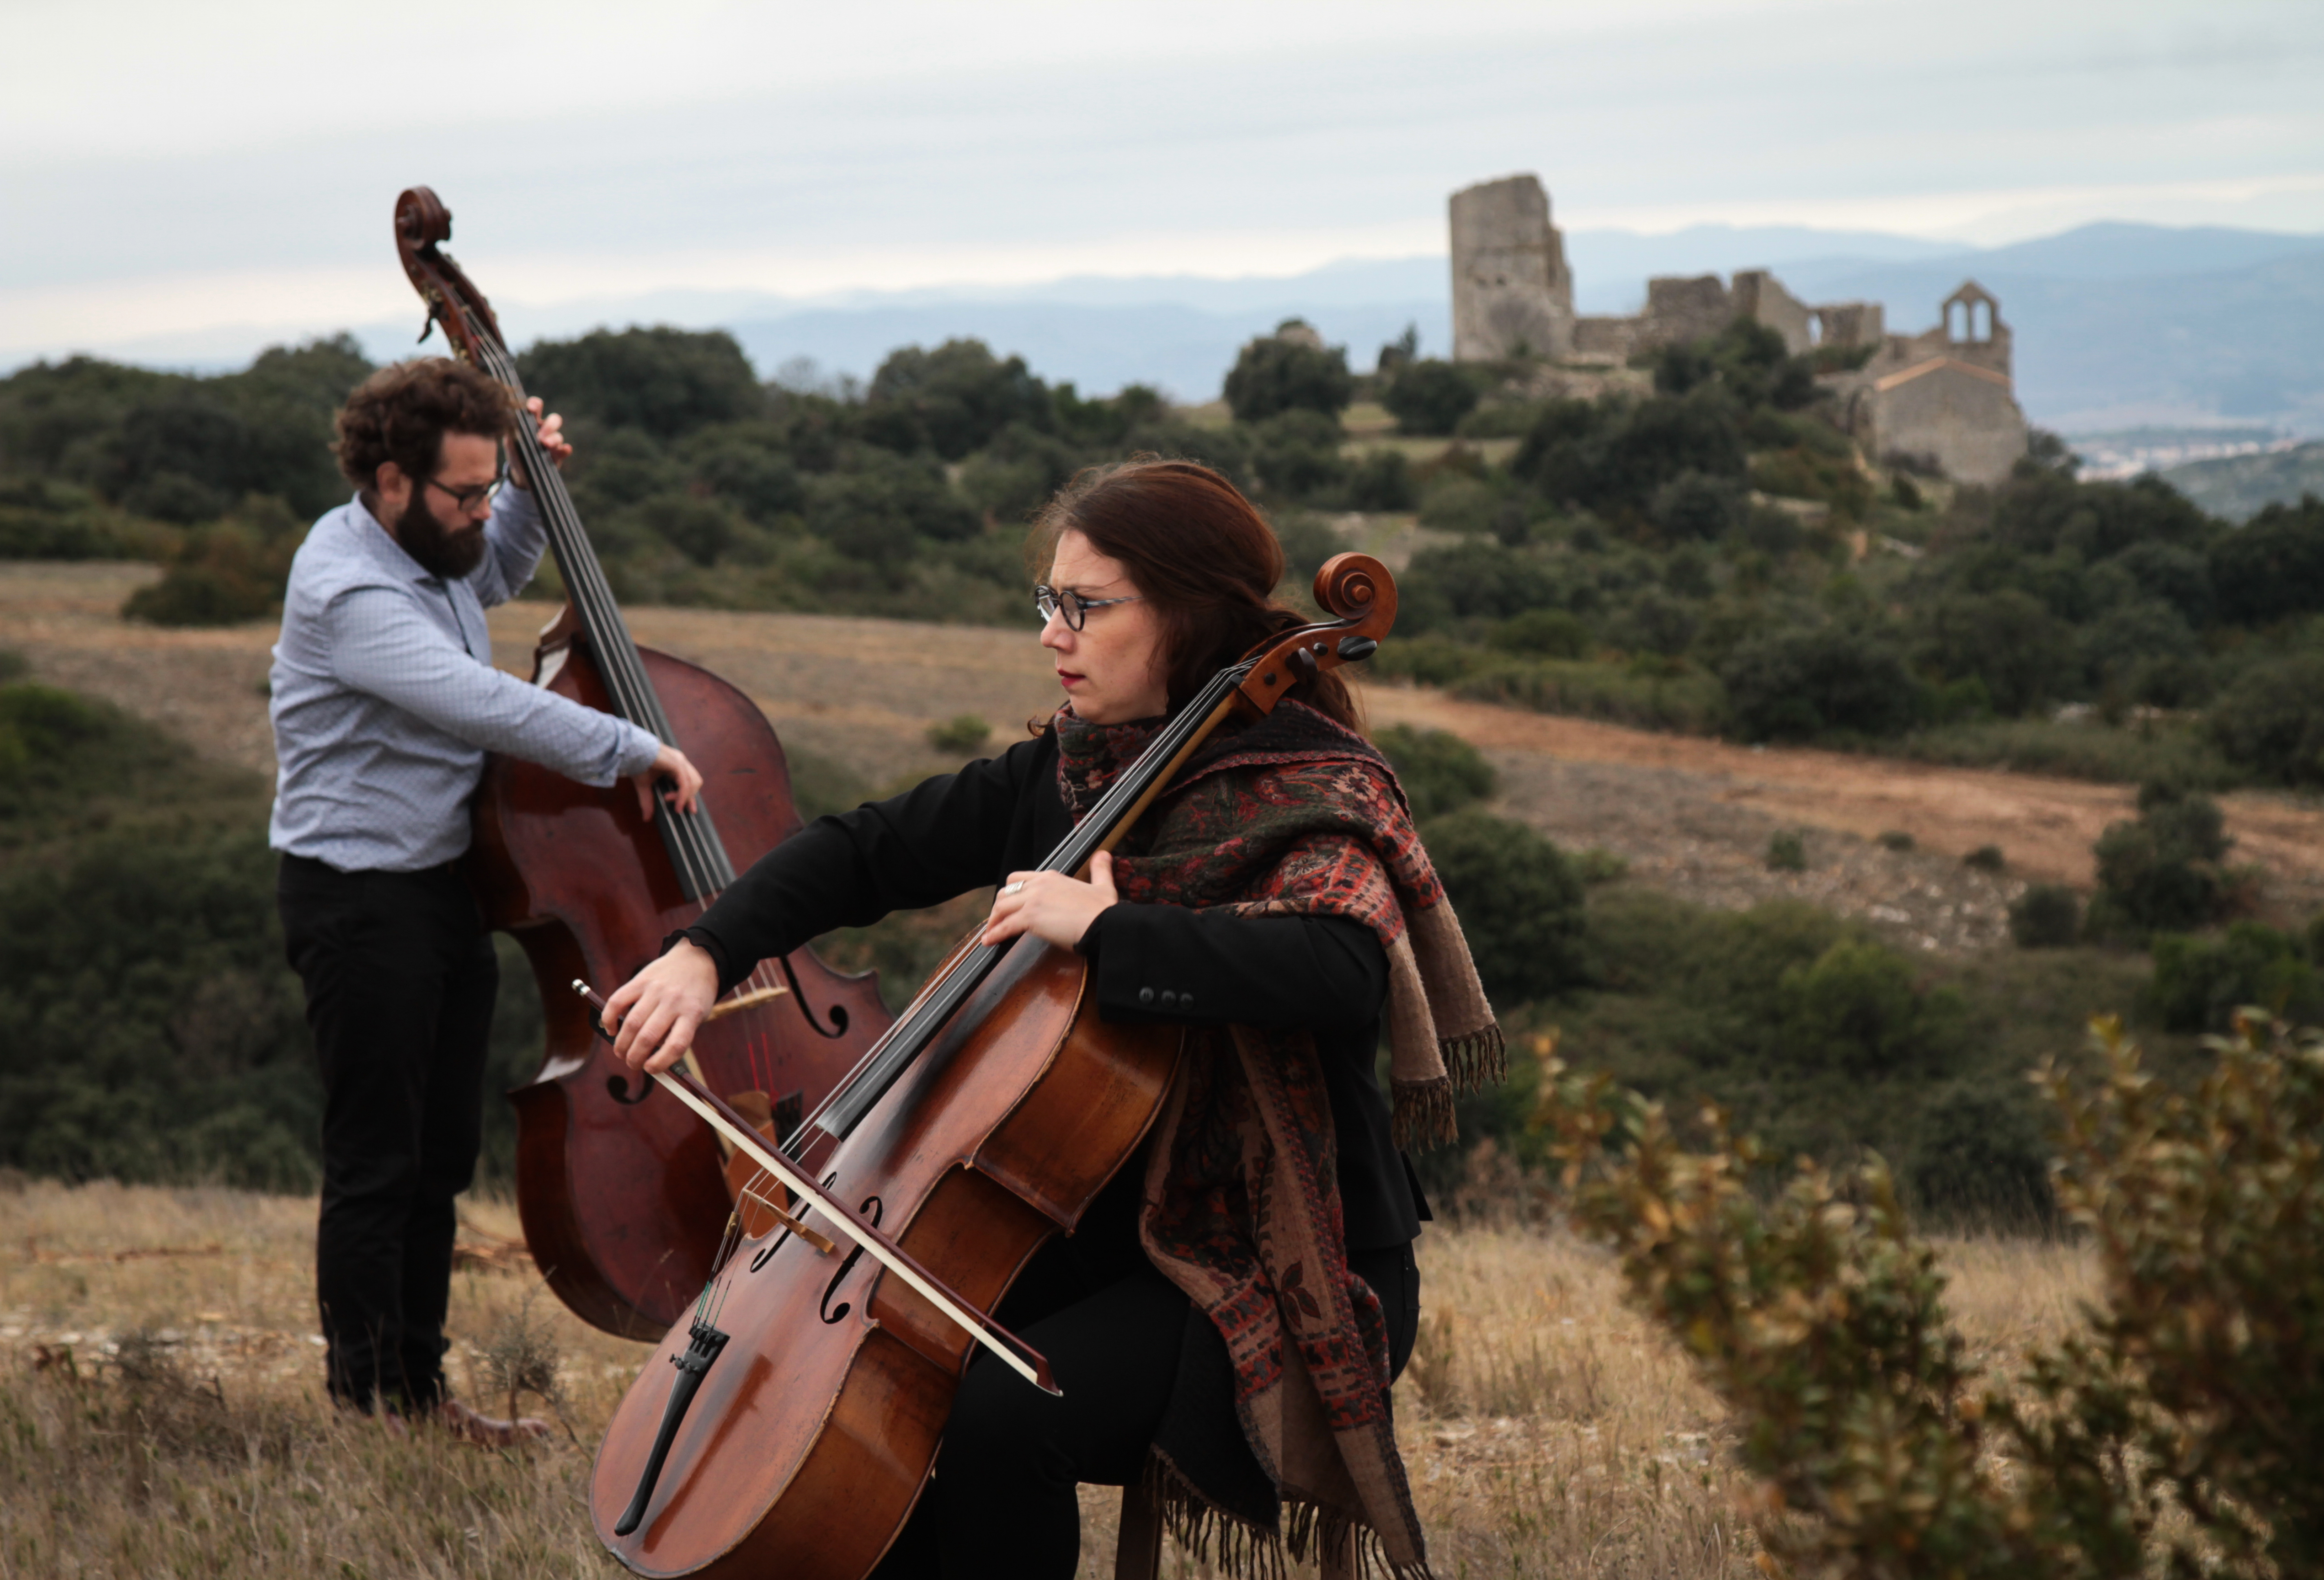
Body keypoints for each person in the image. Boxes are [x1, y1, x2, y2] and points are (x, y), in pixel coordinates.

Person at [605, 458, 1499, 1576]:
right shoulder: (1072, 778)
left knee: (1001, 1418)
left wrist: (1109, 930)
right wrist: (705, 951)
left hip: (1281, 1252)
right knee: (892, 1378)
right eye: (1050, 603)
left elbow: (1335, 969)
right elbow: (866, 849)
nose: (1053, 635)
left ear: (1185, 613)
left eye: (1086, 607)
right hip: (1111, 1230)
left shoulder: (1312, 785)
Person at [270, 358, 705, 1444]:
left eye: (484, 488)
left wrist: (527, 500)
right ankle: (373, 1406)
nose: (475, 512)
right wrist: (630, 746)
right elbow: (478, 703)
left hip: (438, 885)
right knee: (379, 1159)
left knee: (441, 1154)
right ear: (389, 482)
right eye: (463, 494)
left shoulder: (425, 547)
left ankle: (417, 1392)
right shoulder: (351, 590)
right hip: (359, 899)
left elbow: (486, 574)